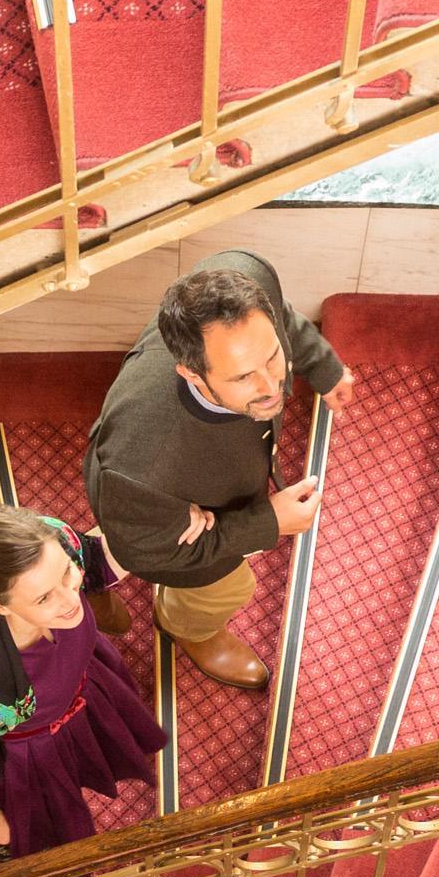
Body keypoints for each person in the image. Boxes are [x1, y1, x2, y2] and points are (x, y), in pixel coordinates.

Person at [82, 253, 360, 691]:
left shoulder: (243, 281)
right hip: (142, 505)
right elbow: (144, 552)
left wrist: (322, 367)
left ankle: (88, 569)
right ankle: (186, 626)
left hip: (160, 499)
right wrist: (268, 522)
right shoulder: (148, 462)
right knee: (228, 588)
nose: (273, 388)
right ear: (192, 373)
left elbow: (281, 317)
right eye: (244, 378)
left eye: (272, 360)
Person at [0, 504, 166, 863]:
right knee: (51, 829)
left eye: (66, 575)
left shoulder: (50, 539)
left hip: (77, 687)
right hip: (30, 748)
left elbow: (89, 557)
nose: (73, 599)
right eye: (43, 597)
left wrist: (175, 525)